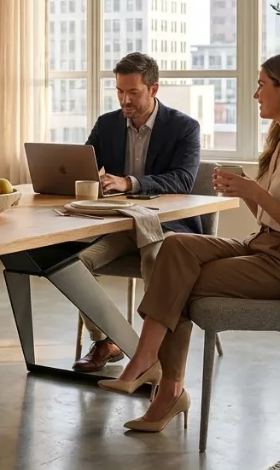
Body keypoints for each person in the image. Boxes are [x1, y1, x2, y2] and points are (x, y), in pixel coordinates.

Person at [98, 51, 280, 432]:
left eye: (263, 85)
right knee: (175, 248)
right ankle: (150, 364)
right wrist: (246, 192)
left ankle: (164, 384)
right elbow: (269, 216)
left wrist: (257, 193)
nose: (255, 94)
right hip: (261, 245)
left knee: (175, 281)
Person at [72, 53, 202, 373]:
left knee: (155, 259)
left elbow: (183, 180)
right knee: (74, 265)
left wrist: (130, 181)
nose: (124, 100)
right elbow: (86, 168)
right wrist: (87, 181)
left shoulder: (184, 127)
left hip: (165, 225)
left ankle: (151, 354)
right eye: (119, 91)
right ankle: (106, 341)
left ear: (153, 89)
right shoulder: (107, 125)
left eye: (133, 92)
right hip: (121, 225)